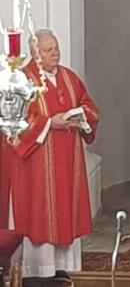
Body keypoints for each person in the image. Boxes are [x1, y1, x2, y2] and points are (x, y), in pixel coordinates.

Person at [0, 29, 100, 281]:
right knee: (40, 212)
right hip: (37, 164)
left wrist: (82, 118)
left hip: (67, 157)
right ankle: (38, 269)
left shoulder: (69, 77)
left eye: (56, 48)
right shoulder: (22, 80)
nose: (55, 53)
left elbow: (88, 104)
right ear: (36, 54)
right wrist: (49, 123)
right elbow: (15, 121)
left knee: (66, 208)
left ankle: (61, 266)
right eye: (48, 50)